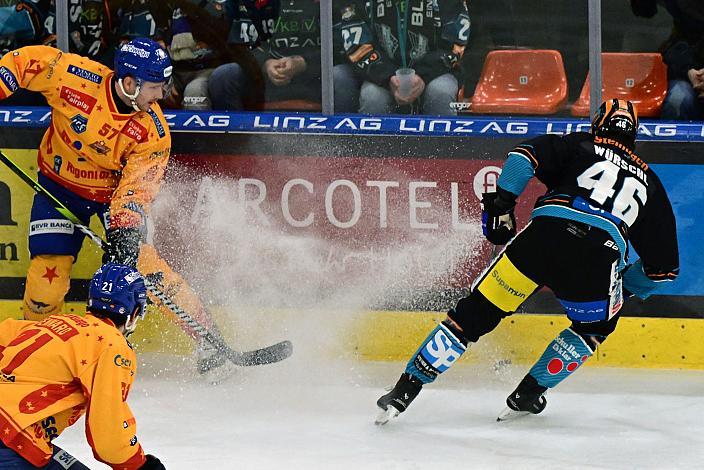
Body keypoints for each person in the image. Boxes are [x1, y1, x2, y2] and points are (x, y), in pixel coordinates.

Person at [375, 99, 679, 424]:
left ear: (597, 124)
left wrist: (501, 207)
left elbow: (522, 159)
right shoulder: (651, 182)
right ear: (635, 135)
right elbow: (664, 270)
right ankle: (529, 394)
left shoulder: (579, 143)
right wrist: (623, 288)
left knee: (472, 315)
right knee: (594, 327)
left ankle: (403, 391)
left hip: (542, 238)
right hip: (598, 256)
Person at [0, 38, 230, 378]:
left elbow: (137, 188)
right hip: (59, 187)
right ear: (129, 83)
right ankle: (36, 350)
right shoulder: (74, 78)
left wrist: (125, 228)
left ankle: (207, 338)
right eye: (154, 87)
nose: (161, 96)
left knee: (143, 266)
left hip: (113, 195)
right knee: (48, 272)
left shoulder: (153, 131)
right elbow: (26, 61)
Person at [0, 263, 165, 469]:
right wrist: (139, 465)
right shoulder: (112, 344)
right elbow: (107, 432)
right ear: (135, 312)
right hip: (12, 440)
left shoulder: (52, 322)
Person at [334, 0, 470, 115]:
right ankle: (367, 147)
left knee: (440, 93)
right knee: (372, 98)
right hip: (381, 75)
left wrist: (423, 75)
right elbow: (356, 44)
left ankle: (443, 147)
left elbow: (456, 43)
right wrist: (388, 77)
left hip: (435, 73)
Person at [631, 0, 704, 120]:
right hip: (688, 75)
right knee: (678, 99)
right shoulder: (684, 17)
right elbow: (674, 48)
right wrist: (689, 70)